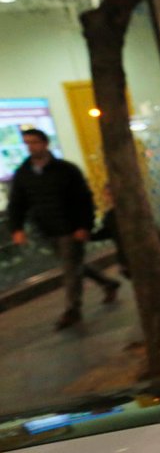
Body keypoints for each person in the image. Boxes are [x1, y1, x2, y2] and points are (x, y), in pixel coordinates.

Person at [7, 128, 119, 330]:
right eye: (27, 143)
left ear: (45, 143)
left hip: (70, 227)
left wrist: (84, 226)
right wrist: (17, 228)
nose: (31, 147)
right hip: (47, 229)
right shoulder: (23, 174)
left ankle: (72, 310)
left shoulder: (66, 170)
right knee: (73, 265)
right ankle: (108, 283)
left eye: (34, 142)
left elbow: (84, 200)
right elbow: (17, 203)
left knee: (70, 269)